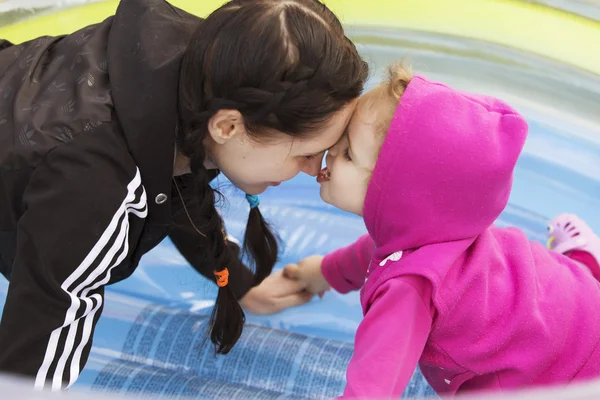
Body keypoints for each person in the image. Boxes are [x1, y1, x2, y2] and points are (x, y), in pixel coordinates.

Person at [0, 0, 368, 390]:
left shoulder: (207, 65)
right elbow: (42, 335)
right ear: (228, 126)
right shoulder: (96, 185)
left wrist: (238, 280)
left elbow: (179, 178)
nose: (315, 170)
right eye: (306, 154)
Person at [285, 63, 600, 399]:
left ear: (397, 195)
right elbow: (377, 250)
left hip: (570, 381)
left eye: (347, 153)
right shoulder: (438, 228)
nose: (330, 153)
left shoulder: (409, 289)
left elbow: (371, 390)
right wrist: (324, 272)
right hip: (573, 300)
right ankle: (584, 262)